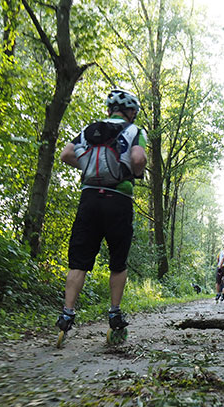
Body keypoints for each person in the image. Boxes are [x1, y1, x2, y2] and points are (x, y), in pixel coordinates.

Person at [55, 89, 147, 337]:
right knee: (118, 261)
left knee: (79, 261)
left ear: (109, 110)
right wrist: (135, 172)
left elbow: (65, 154)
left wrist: (85, 167)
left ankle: (67, 315)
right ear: (131, 112)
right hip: (118, 200)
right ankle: (115, 314)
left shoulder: (89, 130)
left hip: (90, 199)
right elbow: (138, 158)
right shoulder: (134, 131)